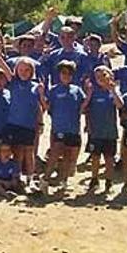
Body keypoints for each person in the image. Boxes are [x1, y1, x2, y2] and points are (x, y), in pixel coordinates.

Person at [40, 60, 88, 196]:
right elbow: (48, 107)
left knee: (69, 156)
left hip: (73, 128)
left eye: (69, 73)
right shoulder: (54, 90)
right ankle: (45, 179)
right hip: (59, 127)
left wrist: (89, 94)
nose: (66, 76)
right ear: (59, 74)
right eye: (63, 73)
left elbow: (82, 107)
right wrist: (42, 95)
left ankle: (64, 180)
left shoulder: (77, 90)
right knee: (55, 154)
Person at [0, 57, 47, 188]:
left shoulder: (36, 86)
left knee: (29, 152)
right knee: (17, 152)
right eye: (21, 69)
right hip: (14, 123)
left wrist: (42, 95)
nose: (24, 72)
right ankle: (18, 176)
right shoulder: (14, 82)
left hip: (29, 125)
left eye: (27, 70)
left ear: (32, 71)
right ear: (16, 70)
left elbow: (42, 106)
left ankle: (30, 178)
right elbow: (6, 70)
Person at [84, 66, 122, 193]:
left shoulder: (114, 91)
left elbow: (120, 105)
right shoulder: (93, 91)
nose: (101, 79)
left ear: (110, 75)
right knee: (95, 157)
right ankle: (94, 179)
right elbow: (85, 109)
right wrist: (88, 95)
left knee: (109, 158)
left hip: (110, 131)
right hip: (95, 130)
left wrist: (113, 90)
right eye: (98, 77)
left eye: (103, 75)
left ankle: (108, 181)